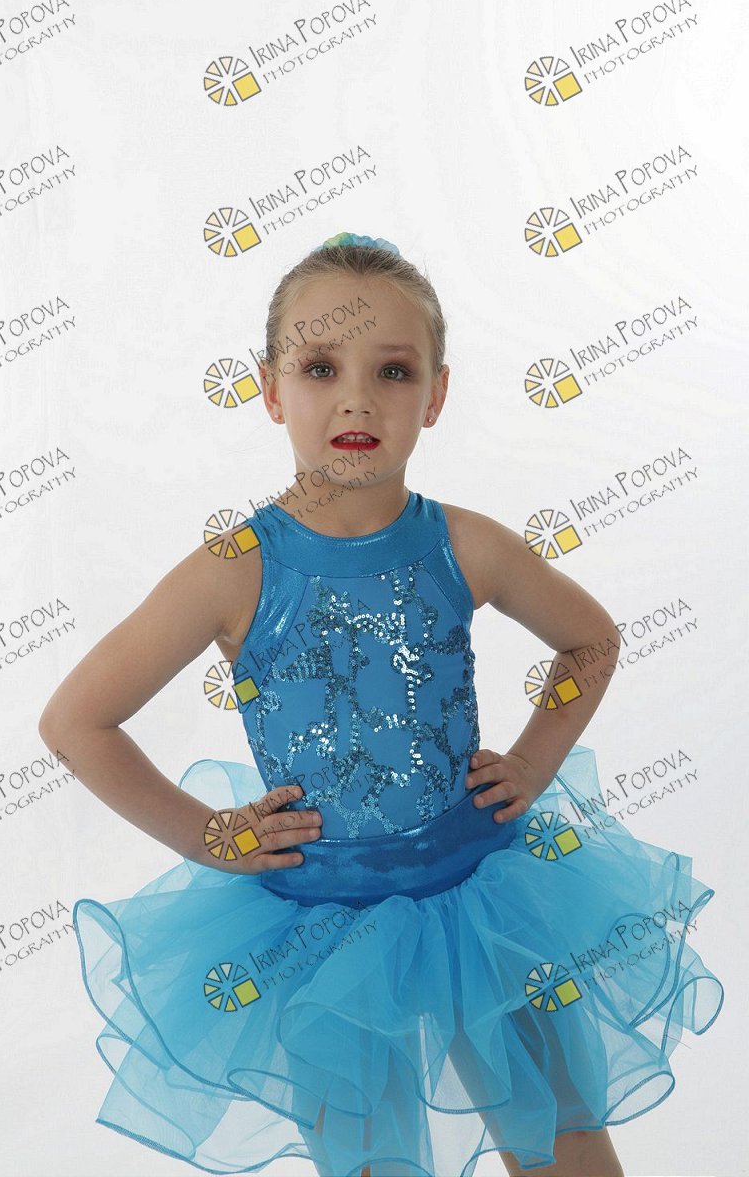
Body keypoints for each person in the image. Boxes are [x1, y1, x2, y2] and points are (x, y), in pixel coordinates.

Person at [38, 232, 724, 1177]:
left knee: (565, 1152)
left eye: (393, 371)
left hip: (484, 898)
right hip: (322, 933)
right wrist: (209, 836)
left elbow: (591, 641)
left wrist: (533, 762)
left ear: (435, 395)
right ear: (271, 390)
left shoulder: (465, 545)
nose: (357, 398)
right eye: (320, 368)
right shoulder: (235, 569)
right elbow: (76, 722)